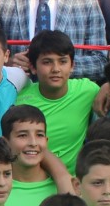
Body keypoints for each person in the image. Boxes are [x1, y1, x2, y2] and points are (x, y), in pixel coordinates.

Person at [13, 29, 100, 171]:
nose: (56, 69)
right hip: (28, 179)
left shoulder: (89, 90)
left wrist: (107, 87)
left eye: (63, 61)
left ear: (72, 66)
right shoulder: (18, 99)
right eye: (47, 62)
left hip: (72, 181)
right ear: (33, 67)